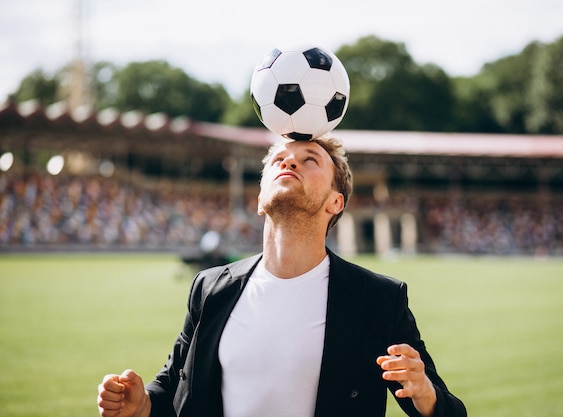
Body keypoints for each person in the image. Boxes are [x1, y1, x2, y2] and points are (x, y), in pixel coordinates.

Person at [97, 136, 466, 417]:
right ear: (260, 198)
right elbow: (175, 385)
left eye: (310, 160)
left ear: (335, 202)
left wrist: (424, 392)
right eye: (279, 159)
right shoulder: (210, 288)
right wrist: (142, 404)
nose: (290, 162)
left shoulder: (377, 298)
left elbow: (449, 410)